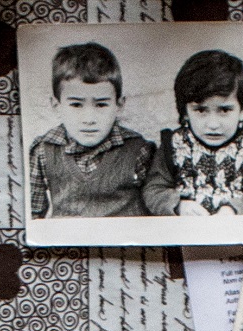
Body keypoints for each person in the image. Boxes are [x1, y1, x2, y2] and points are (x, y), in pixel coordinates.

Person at [27, 40, 154, 219]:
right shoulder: (43, 150)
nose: (89, 119)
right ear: (56, 105)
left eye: (101, 105)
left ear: (119, 105)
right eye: (76, 105)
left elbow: (156, 206)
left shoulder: (139, 150)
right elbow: (32, 216)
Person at [141, 48, 243, 218]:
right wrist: (178, 205)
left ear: (242, 110)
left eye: (224, 110)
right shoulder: (174, 145)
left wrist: (235, 209)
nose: (213, 124)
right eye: (201, 110)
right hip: (185, 235)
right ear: (185, 112)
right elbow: (154, 190)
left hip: (237, 235)